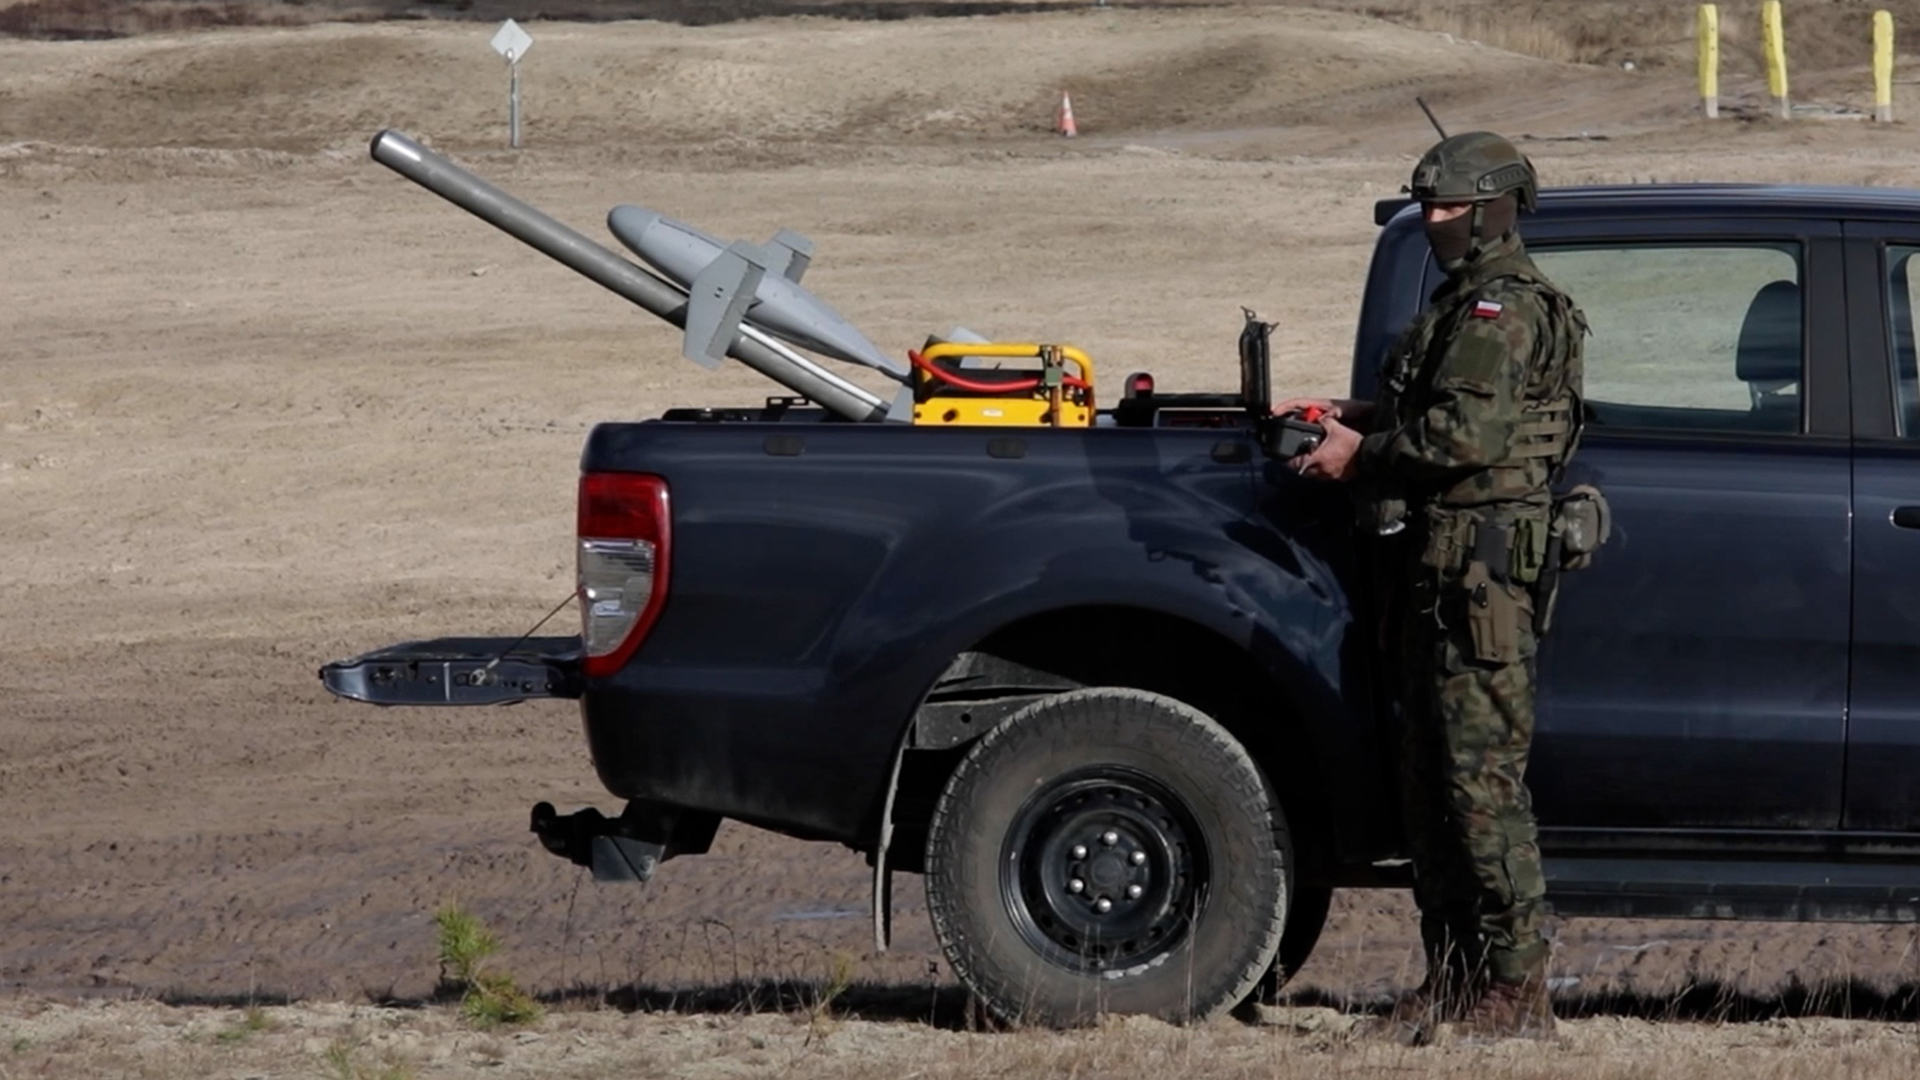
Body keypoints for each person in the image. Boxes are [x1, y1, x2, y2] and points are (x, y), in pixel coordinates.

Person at [1277, 131, 1586, 1041]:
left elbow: (1467, 440)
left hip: (1479, 581)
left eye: (1449, 206)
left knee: (1481, 789)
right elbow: (1444, 412)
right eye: (1428, 205)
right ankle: (1454, 978)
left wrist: (1359, 455)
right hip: (1439, 573)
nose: (1434, 220)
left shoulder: (1504, 309)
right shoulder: (1463, 306)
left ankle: (1517, 990)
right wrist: (1354, 415)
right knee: (1431, 789)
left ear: (1494, 209)